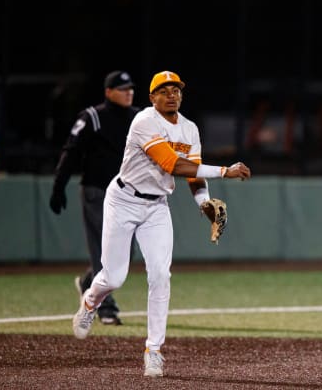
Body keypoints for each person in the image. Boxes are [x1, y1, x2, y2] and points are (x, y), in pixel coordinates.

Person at [71, 70, 251, 378]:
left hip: (156, 207)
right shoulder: (144, 121)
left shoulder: (189, 129)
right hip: (124, 200)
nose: (171, 94)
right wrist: (226, 171)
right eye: (164, 90)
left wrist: (203, 204)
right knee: (114, 277)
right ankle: (90, 302)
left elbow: (192, 174)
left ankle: (153, 350)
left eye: (176, 90)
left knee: (160, 275)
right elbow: (173, 164)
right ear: (152, 97)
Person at [50, 70, 140, 325]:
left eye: (130, 88)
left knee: (124, 253)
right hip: (97, 191)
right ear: (108, 92)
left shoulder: (138, 118)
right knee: (105, 250)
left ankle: (90, 282)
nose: (128, 93)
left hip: (128, 195)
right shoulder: (92, 117)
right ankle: (105, 307)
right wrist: (59, 185)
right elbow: (71, 151)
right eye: (123, 89)